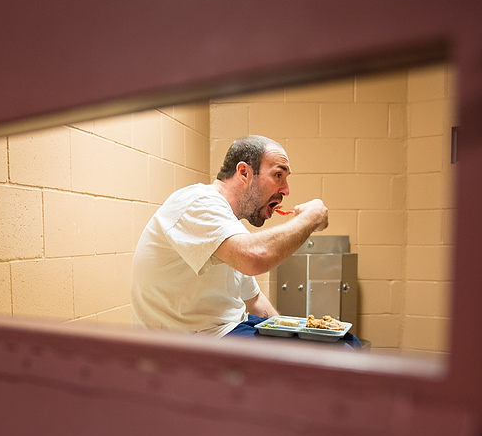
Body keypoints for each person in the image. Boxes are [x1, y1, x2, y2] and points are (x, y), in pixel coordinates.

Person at [131, 134, 344, 340]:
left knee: (341, 343)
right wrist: (311, 217)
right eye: (278, 175)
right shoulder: (197, 202)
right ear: (244, 172)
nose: (286, 190)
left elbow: (254, 299)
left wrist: (291, 333)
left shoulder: (229, 225)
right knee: (337, 354)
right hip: (195, 344)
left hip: (230, 328)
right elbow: (254, 257)